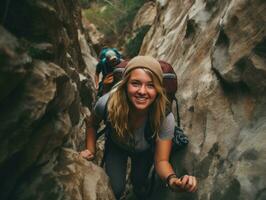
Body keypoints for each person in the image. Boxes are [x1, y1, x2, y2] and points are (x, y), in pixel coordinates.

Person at [80, 56, 197, 199]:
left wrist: (172, 180)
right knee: (115, 190)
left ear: (158, 90)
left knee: (139, 184)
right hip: (116, 147)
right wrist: (90, 149)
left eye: (150, 85)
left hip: (144, 152)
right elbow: (92, 123)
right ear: (125, 85)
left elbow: (161, 161)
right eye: (135, 83)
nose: (142, 91)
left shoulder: (164, 117)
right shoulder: (107, 103)